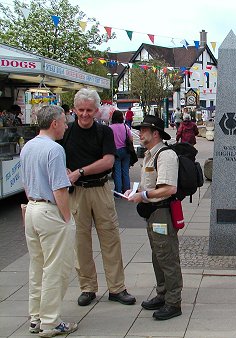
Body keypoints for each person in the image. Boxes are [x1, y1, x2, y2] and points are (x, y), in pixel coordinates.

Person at [62, 88, 135, 307]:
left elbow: (108, 161)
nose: (84, 114)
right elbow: (58, 157)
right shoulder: (66, 131)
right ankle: (87, 288)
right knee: (80, 242)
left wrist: (80, 171)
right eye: (81, 110)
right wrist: (66, 170)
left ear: (96, 111)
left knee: (110, 238)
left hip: (101, 189)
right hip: (77, 193)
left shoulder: (104, 132)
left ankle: (117, 288)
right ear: (74, 109)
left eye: (89, 110)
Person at [20, 105, 78, 336]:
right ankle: (50, 322)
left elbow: (26, 182)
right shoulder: (54, 149)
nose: (66, 125)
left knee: (37, 267)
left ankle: (36, 317)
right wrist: (66, 218)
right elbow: (59, 189)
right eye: (64, 122)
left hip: (33, 208)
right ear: (54, 123)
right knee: (56, 269)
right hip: (49, 212)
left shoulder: (28, 147)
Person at [126, 115, 183, 321]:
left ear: (155, 133)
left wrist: (143, 196)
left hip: (162, 212)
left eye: (143, 130)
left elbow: (169, 188)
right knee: (157, 255)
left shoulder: (165, 155)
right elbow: (151, 184)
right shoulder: (151, 154)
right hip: (153, 212)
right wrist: (135, 191)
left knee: (167, 256)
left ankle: (173, 302)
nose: (139, 133)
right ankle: (162, 294)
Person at [109, 110, 133, 196]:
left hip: (115, 151)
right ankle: (127, 190)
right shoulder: (125, 126)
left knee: (117, 172)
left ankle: (118, 192)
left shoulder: (110, 128)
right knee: (125, 171)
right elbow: (131, 139)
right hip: (126, 151)